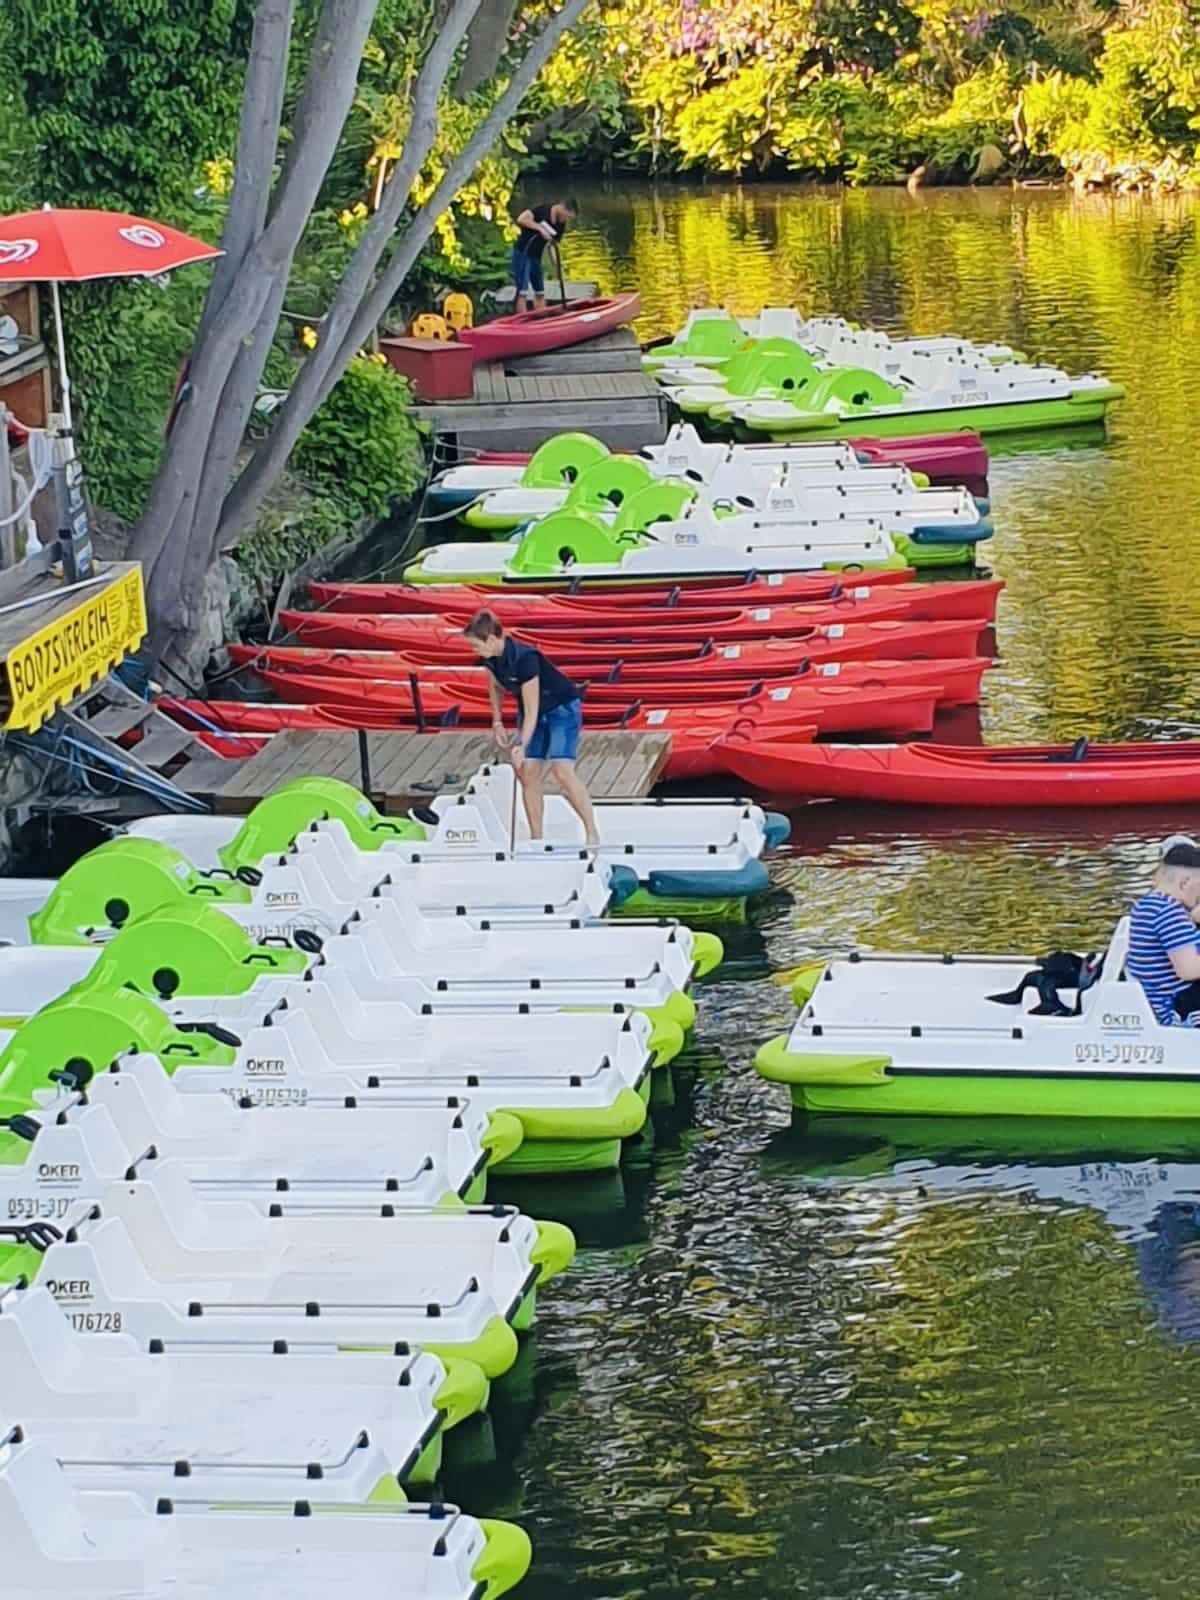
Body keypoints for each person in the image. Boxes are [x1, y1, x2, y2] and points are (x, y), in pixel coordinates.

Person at [463, 609, 600, 848]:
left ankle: (592, 831)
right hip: (532, 712)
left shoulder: (526, 658)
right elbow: (495, 687)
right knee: (527, 771)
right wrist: (497, 721)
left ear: (492, 639)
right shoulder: (491, 659)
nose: (475, 651)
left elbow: (532, 707)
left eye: (476, 645)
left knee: (561, 771)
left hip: (560, 708)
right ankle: (537, 837)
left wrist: (521, 744)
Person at [1128, 841, 1200, 1026]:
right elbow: (1189, 970)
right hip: (1177, 1010)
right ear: (1185, 883)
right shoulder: (1170, 914)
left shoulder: (1148, 904)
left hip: (1158, 998)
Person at [510, 198, 577, 312]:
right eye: (568, 216)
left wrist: (557, 268)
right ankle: (521, 321)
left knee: (540, 291)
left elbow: (552, 246)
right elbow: (521, 219)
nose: (567, 219)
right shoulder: (543, 210)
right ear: (562, 208)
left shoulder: (561, 224)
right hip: (523, 252)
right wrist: (540, 228)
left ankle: (541, 317)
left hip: (536, 255)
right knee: (523, 291)